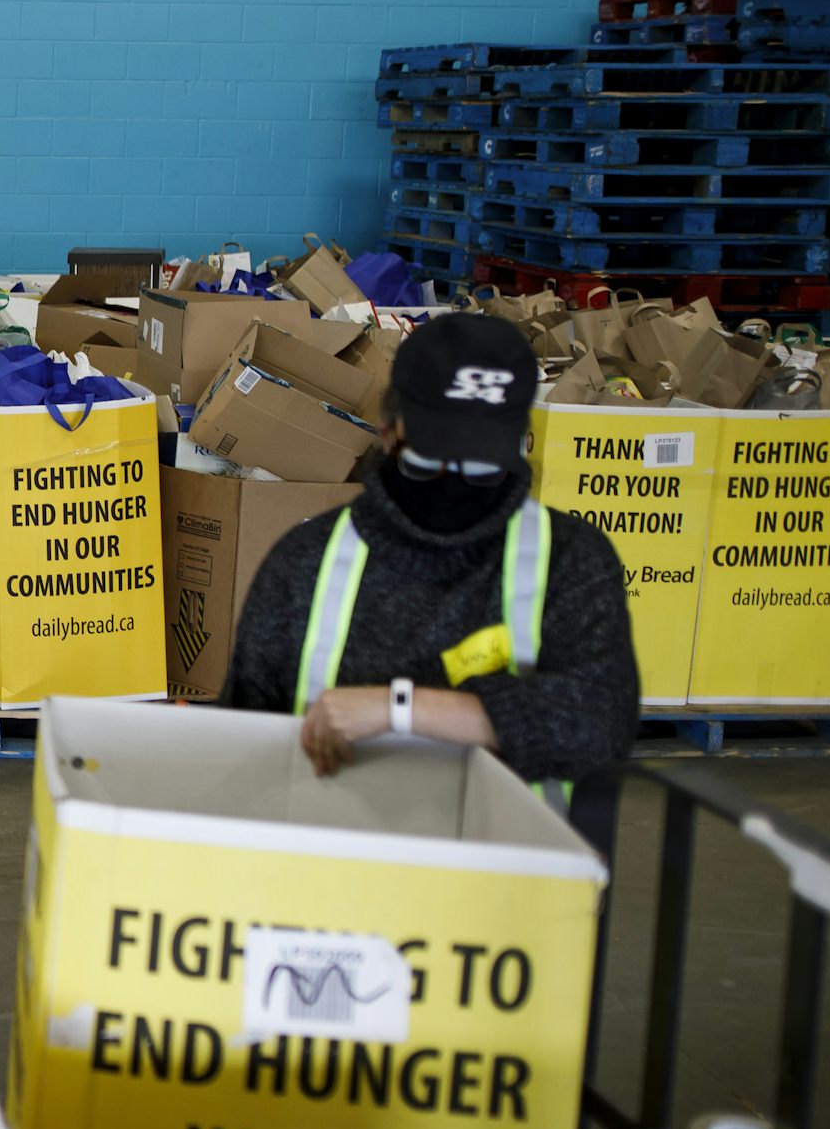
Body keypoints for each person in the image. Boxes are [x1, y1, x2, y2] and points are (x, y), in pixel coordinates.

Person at [223, 312, 639, 799]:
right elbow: (241, 744)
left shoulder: (569, 560)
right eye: (434, 454)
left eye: (482, 457)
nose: (457, 474)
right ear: (387, 432)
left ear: (522, 447)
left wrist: (400, 710)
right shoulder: (306, 566)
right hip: (338, 866)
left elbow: (601, 719)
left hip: (510, 869)